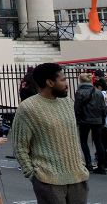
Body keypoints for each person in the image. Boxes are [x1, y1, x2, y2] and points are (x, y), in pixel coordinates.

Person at [13, 62, 89, 203]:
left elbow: (71, 137)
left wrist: (80, 163)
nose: (67, 84)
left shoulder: (68, 102)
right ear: (49, 82)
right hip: (48, 180)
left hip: (78, 177)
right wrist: (33, 175)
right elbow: (20, 146)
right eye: (63, 79)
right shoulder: (27, 108)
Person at [74, 71, 107, 175]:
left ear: (80, 80)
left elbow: (77, 108)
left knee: (84, 142)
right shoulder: (98, 92)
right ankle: (101, 165)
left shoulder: (79, 92)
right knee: (98, 142)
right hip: (97, 120)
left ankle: (88, 164)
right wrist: (102, 118)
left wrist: (77, 119)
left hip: (84, 120)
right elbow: (103, 107)